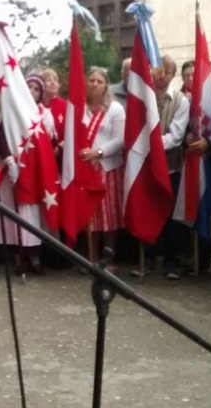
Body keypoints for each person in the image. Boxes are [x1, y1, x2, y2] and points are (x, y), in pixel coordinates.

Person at [0, 75, 57, 276]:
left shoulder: (44, 115)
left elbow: (49, 144)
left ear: (40, 94)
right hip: (12, 170)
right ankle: (18, 258)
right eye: (28, 87)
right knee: (14, 215)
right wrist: (10, 160)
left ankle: (35, 257)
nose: (31, 91)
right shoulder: (10, 111)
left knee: (31, 216)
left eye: (36, 89)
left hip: (35, 172)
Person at [135, 55, 189, 279]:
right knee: (147, 211)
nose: (162, 75)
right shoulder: (141, 98)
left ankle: (170, 262)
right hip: (144, 166)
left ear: (173, 75)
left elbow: (176, 136)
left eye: (167, 71)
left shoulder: (180, 101)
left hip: (170, 167)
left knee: (170, 215)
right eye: (158, 70)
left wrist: (150, 147)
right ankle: (147, 259)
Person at [79, 67, 126, 271]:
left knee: (109, 216)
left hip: (107, 167)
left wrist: (97, 152)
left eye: (99, 81)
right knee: (90, 215)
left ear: (106, 84)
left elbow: (120, 139)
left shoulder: (115, 109)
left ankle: (108, 259)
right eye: (91, 80)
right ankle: (91, 258)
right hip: (85, 169)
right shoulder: (79, 108)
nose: (95, 84)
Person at [185, 60, 211, 274]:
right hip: (201, 164)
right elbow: (190, 127)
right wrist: (191, 136)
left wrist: (210, 142)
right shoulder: (197, 101)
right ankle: (201, 262)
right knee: (200, 212)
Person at [40, 67, 68, 144]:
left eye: (55, 80)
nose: (53, 83)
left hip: (61, 151)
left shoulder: (64, 105)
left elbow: (71, 131)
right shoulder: (36, 104)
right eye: (48, 80)